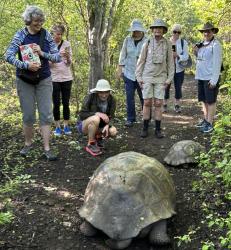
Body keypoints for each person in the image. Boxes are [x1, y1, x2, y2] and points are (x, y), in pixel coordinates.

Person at [5, 6, 61, 160]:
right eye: (36, 21)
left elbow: (58, 57)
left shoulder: (46, 35)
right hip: (25, 80)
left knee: (46, 114)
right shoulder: (20, 35)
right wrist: (25, 65)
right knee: (28, 115)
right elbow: (8, 56)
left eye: (41, 20)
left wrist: (42, 53)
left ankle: (47, 148)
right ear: (29, 20)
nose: (39, 23)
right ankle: (28, 144)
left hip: (44, 79)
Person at [136, 19, 175, 138]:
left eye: (160, 28)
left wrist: (169, 79)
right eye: (155, 28)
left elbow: (170, 63)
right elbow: (141, 61)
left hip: (161, 77)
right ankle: (145, 128)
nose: (157, 30)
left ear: (164, 30)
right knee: (147, 102)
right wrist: (139, 77)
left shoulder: (168, 44)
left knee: (158, 103)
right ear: (152, 30)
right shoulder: (146, 43)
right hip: (147, 76)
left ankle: (158, 129)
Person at [117, 19, 147, 127]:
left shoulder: (147, 41)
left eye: (138, 30)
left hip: (142, 74)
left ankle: (146, 118)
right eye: (134, 30)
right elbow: (122, 54)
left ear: (141, 30)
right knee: (129, 97)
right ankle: (130, 118)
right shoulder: (127, 40)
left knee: (143, 97)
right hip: (129, 73)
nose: (136, 32)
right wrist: (120, 69)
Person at [194, 22, 222, 133]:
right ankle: (206, 120)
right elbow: (201, 59)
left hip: (210, 77)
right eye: (204, 31)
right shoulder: (201, 44)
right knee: (204, 100)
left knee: (211, 101)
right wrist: (196, 52)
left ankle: (210, 123)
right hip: (201, 76)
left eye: (209, 31)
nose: (206, 33)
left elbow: (217, 63)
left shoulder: (216, 45)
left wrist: (214, 80)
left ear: (213, 32)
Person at [77, 79, 117, 156]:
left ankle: (98, 138)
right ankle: (91, 143)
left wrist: (108, 125)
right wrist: (97, 113)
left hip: (99, 126)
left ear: (109, 92)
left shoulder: (112, 100)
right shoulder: (90, 97)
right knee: (96, 118)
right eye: (101, 92)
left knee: (113, 131)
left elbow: (112, 116)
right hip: (84, 125)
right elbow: (82, 114)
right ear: (97, 92)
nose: (104, 95)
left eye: (106, 92)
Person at [50, 24, 73, 136]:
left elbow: (69, 64)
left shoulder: (67, 44)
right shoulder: (48, 45)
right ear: (52, 33)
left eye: (60, 34)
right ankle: (57, 127)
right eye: (57, 34)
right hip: (54, 78)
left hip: (67, 77)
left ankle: (66, 126)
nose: (58, 36)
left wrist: (67, 57)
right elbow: (47, 63)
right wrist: (58, 55)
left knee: (66, 103)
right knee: (56, 103)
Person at [163, 24, 189, 113]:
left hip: (179, 69)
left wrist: (178, 55)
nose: (176, 34)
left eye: (179, 32)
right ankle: (164, 104)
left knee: (178, 87)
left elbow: (186, 56)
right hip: (167, 69)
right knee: (166, 86)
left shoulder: (183, 43)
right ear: (172, 32)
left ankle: (177, 105)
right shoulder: (166, 41)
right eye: (175, 31)